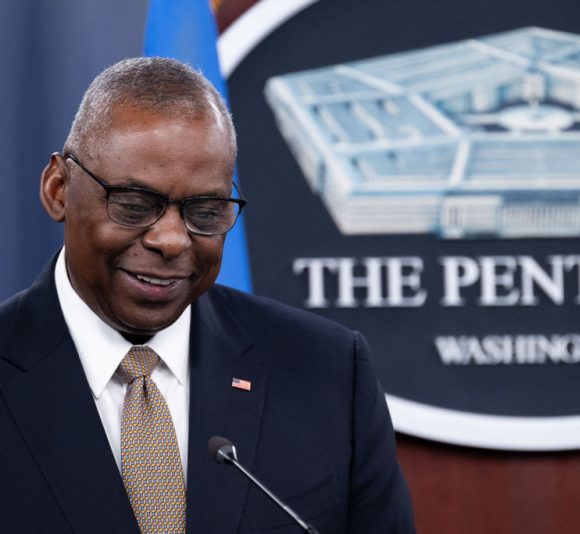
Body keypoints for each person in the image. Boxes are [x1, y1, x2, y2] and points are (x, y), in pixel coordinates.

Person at [0, 57, 415, 533]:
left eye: (205, 211)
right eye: (134, 206)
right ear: (58, 189)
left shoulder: (328, 372)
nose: (172, 240)